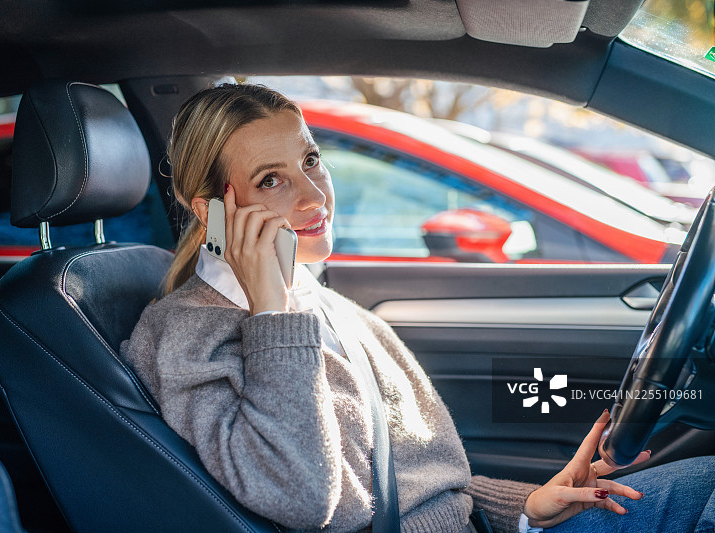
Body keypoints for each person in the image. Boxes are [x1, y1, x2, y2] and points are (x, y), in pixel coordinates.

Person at [121, 83, 715, 533]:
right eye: (271, 181)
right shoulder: (189, 335)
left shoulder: (317, 300)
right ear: (211, 211)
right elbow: (302, 497)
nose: (312, 193)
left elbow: (415, 484)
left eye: (310, 160)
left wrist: (530, 507)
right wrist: (273, 318)